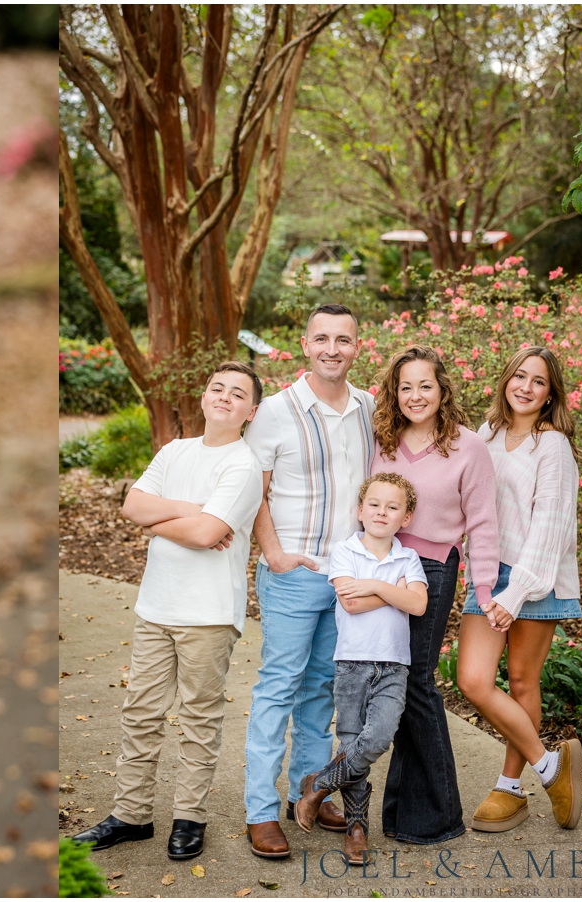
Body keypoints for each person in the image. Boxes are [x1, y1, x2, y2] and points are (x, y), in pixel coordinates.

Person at [72, 362, 264, 861]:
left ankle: (189, 818)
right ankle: (131, 815)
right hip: (156, 605)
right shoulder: (174, 451)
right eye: (217, 387)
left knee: (199, 718)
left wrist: (162, 518)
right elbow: (133, 507)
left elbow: (205, 535)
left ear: (251, 411)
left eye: (237, 393)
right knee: (141, 714)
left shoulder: (243, 466)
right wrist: (190, 511)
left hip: (208, 614)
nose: (224, 397)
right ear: (203, 397)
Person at [243, 303, 376, 859]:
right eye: (321, 338)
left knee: (322, 689)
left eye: (342, 339)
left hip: (347, 577)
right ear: (304, 345)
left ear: (356, 347)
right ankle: (259, 811)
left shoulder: (369, 406)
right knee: (279, 687)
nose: (332, 349)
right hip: (294, 576)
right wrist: (273, 554)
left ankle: (312, 789)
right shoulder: (275, 411)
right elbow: (252, 488)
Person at [369, 344, 498, 845]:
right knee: (395, 682)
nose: (415, 395)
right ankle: (406, 817)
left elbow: (484, 524)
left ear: (442, 390)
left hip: (432, 568)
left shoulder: (468, 447)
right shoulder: (383, 440)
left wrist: (484, 588)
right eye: (406, 386)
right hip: (383, 563)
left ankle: (442, 814)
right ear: (393, 393)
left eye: (425, 385)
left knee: (416, 682)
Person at [456, 348, 582, 832]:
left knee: (523, 681)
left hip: (535, 577)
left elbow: (552, 526)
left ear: (551, 394)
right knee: (473, 680)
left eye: (539, 381)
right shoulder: (485, 436)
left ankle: (510, 788)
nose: (526, 387)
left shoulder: (551, 446)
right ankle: (552, 767)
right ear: (505, 380)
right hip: (489, 571)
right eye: (520, 376)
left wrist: (516, 593)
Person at [294, 472, 427, 865]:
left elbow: (418, 605)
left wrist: (375, 587)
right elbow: (350, 603)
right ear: (360, 510)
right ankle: (357, 830)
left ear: (406, 518)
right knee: (351, 740)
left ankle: (318, 785)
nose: (381, 512)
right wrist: (394, 591)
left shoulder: (408, 556)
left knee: (378, 737)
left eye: (392, 507)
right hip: (351, 662)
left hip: (393, 664)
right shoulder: (346, 550)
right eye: (374, 504)